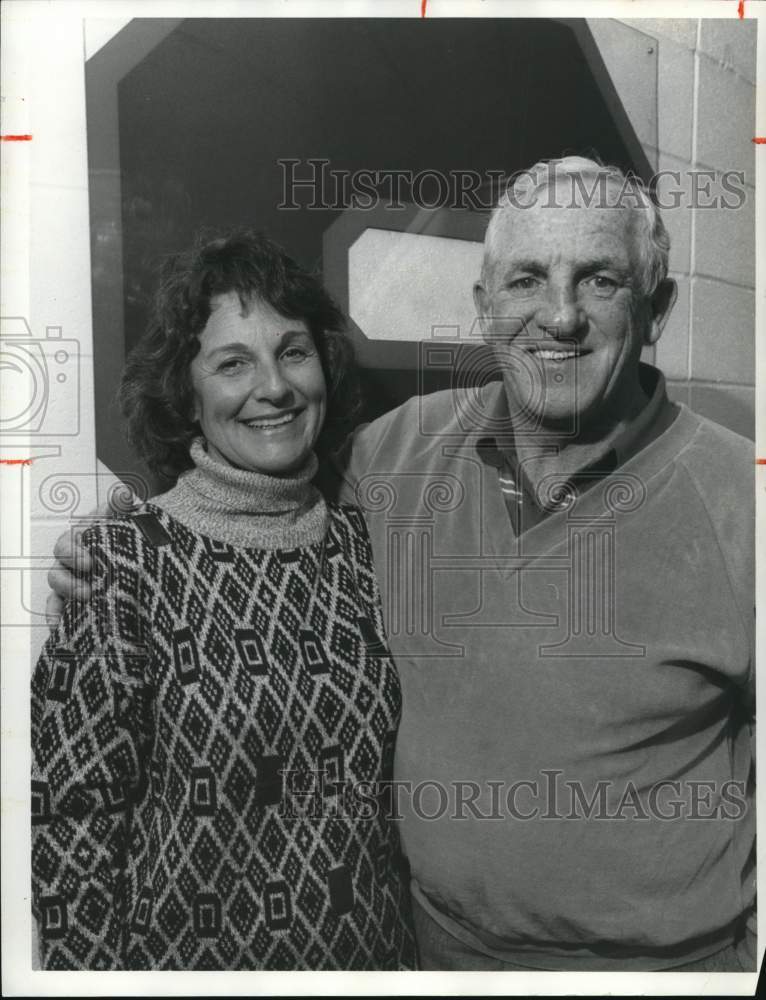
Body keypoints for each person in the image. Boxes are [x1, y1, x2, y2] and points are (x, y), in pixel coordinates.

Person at [47, 158, 756, 972]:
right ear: (486, 309)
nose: (559, 316)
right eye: (527, 279)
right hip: (426, 956)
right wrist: (121, 534)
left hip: (663, 975)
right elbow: (257, 493)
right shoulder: (397, 453)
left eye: (600, 279)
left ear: (656, 307)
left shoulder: (742, 500)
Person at [32, 230, 416, 970]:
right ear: (188, 389)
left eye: (293, 352)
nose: (273, 387)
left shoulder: (368, 552)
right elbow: (72, 843)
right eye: (232, 362)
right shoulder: (121, 567)